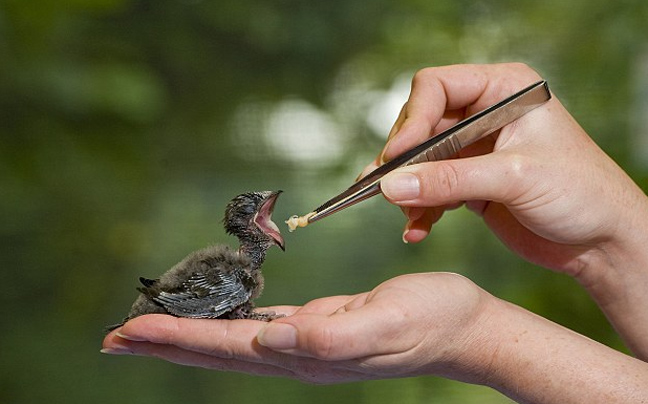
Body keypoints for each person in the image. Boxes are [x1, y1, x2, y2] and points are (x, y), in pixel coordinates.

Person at [102, 63, 648, 403]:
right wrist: (617, 240)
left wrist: (482, 339)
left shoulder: (239, 272)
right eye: (259, 211)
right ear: (250, 225)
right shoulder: (235, 274)